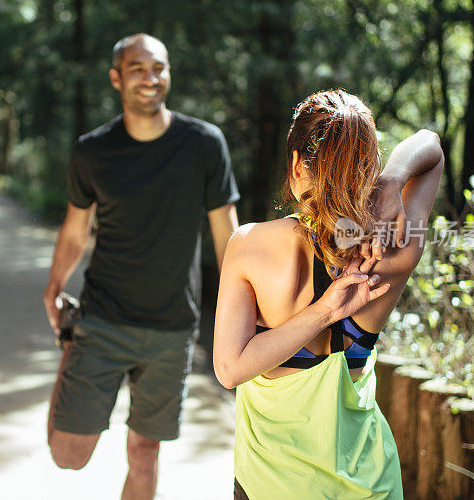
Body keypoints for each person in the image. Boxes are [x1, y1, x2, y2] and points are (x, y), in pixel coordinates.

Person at [212, 89, 443, 499]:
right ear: (370, 165)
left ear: (298, 162)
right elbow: (430, 145)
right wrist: (393, 181)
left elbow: (230, 370)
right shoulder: (395, 245)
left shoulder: (250, 245)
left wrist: (321, 313)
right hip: (372, 485)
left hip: (271, 486)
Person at [43, 33, 240, 499]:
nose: (151, 79)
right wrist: (53, 287)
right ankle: (73, 354)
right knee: (68, 455)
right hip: (102, 318)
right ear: (116, 78)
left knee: (145, 453)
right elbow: (75, 231)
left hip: (171, 328)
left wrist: (245, 311)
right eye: (138, 69)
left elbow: (227, 237)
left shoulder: (204, 144)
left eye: (159, 68)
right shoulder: (92, 152)